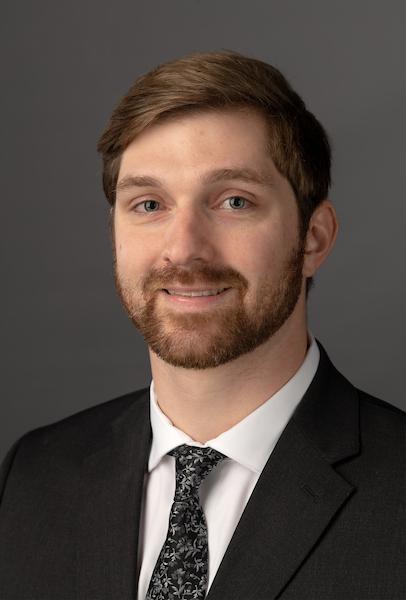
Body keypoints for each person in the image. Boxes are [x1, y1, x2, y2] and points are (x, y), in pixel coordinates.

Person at [0, 50, 404, 600]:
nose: (184, 248)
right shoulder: (33, 476)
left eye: (234, 201)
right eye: (148, 204)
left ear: (314, 238)